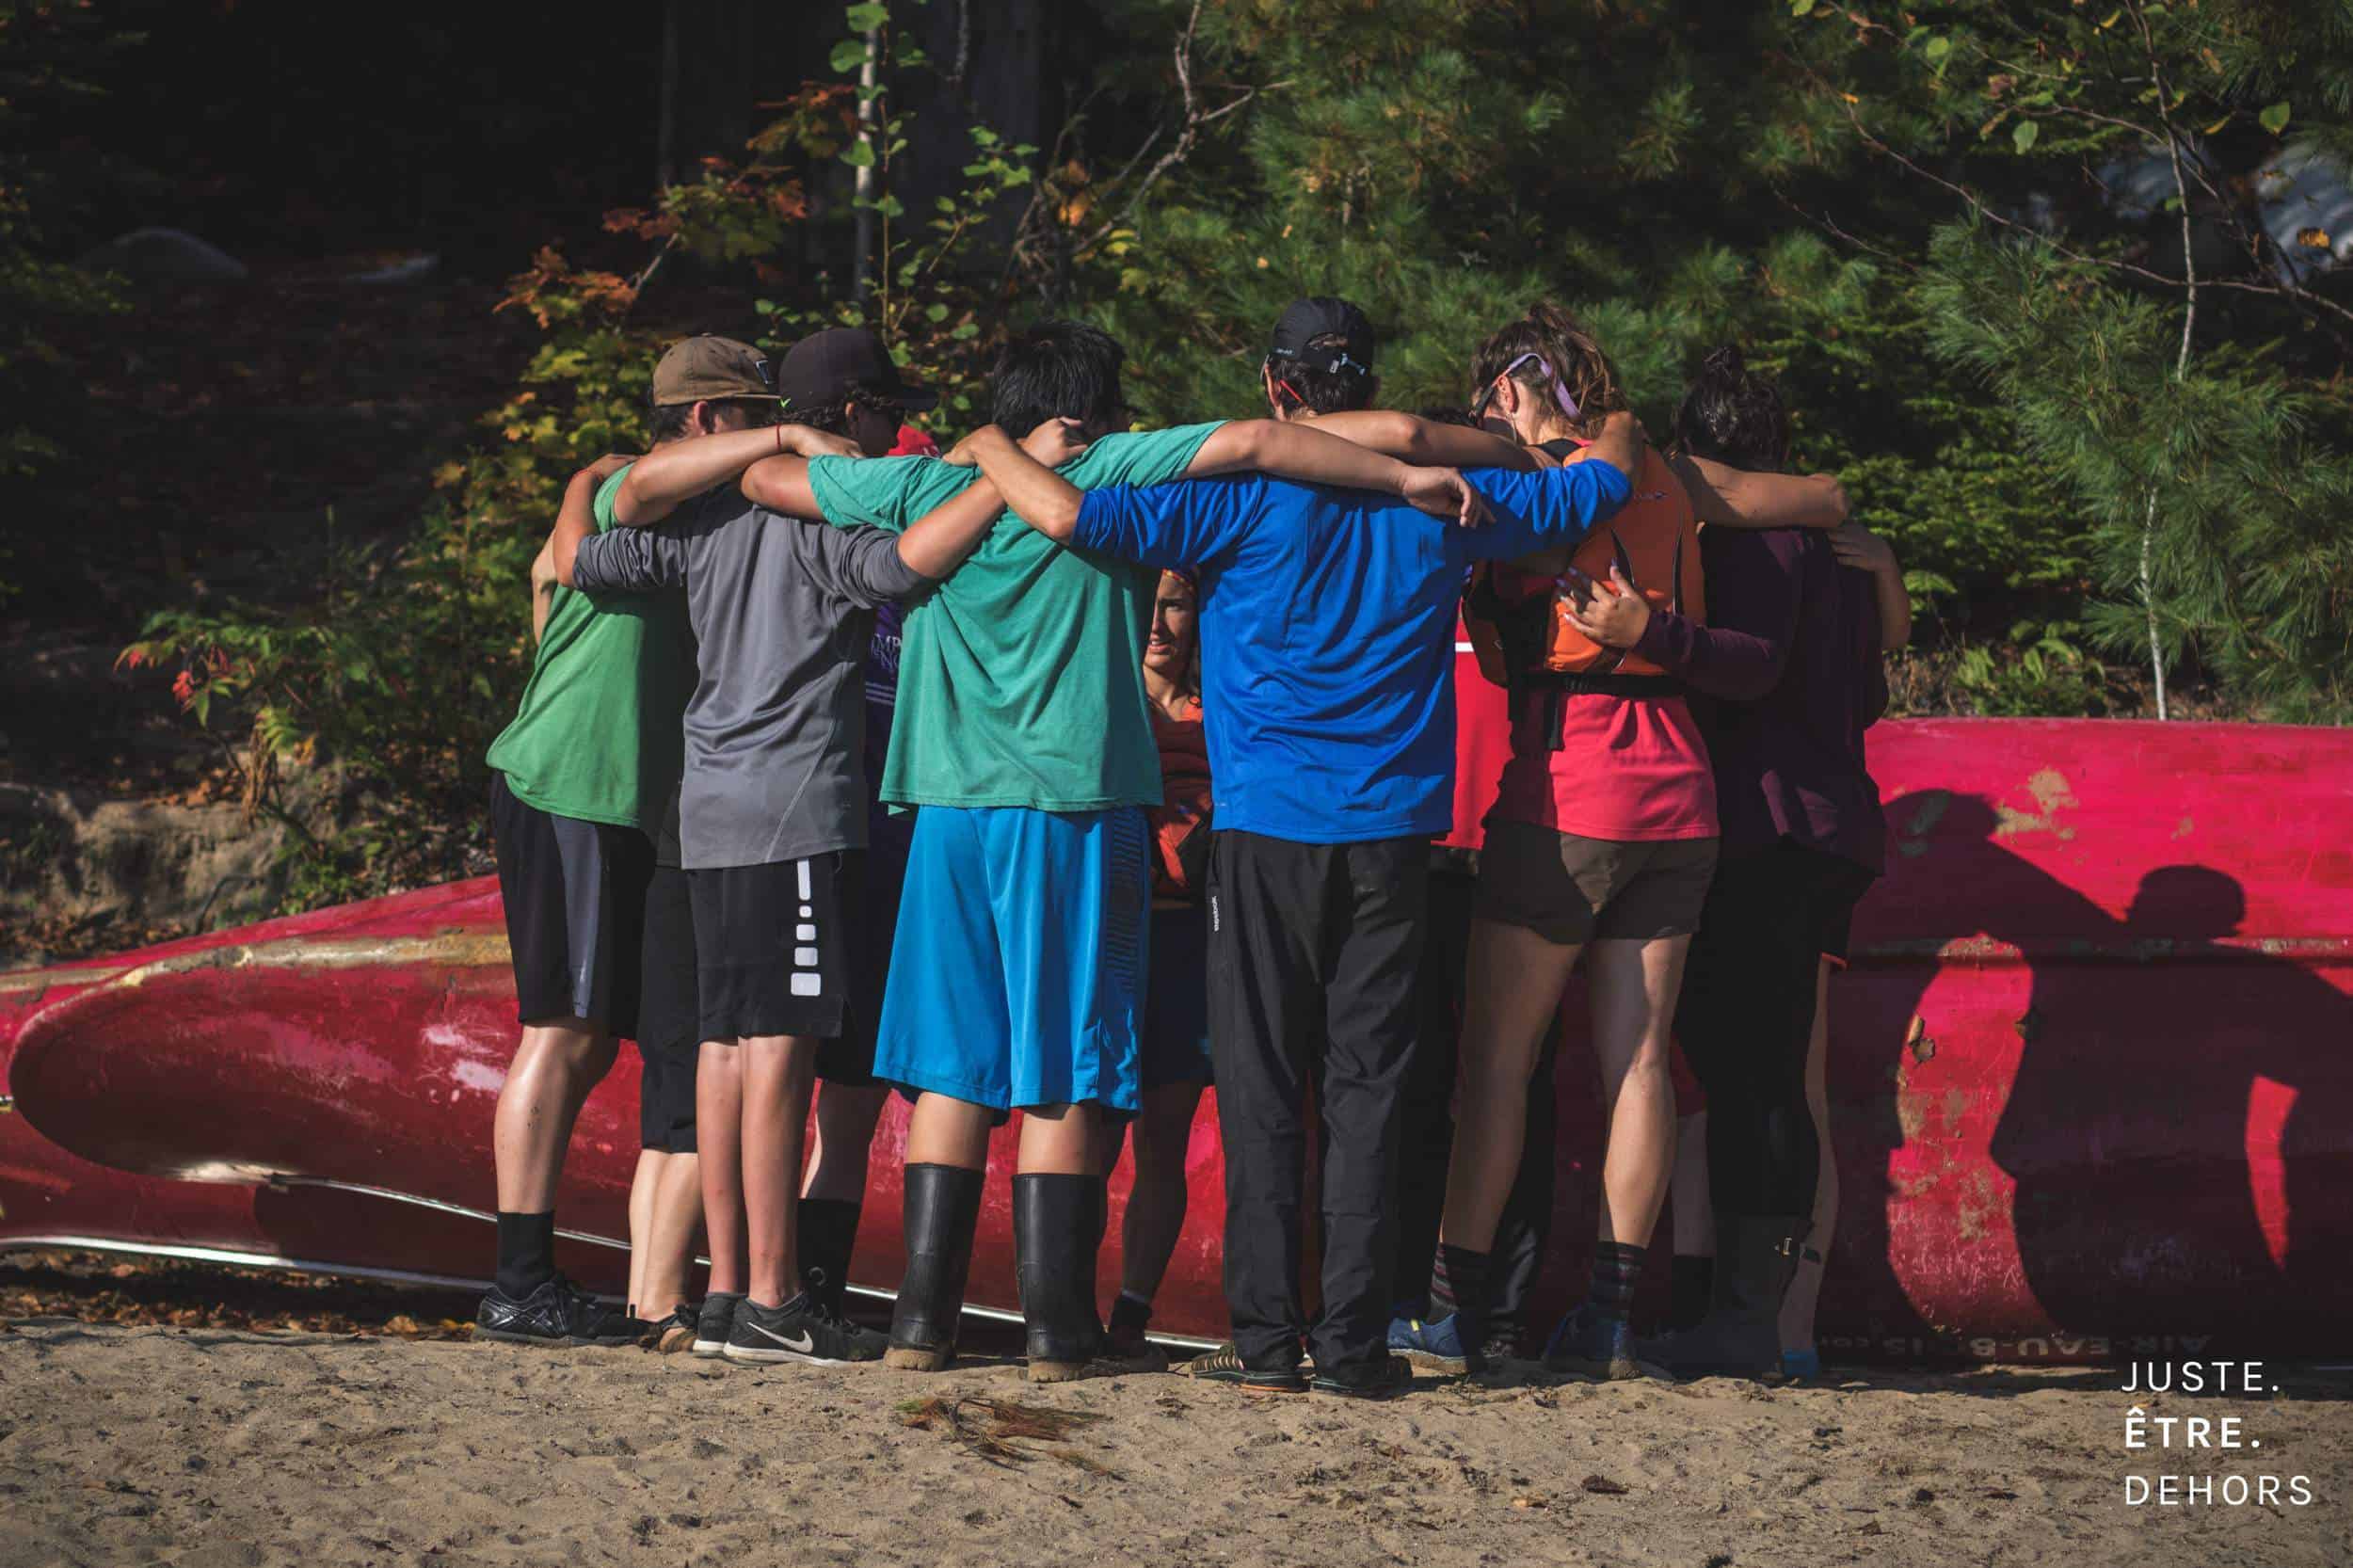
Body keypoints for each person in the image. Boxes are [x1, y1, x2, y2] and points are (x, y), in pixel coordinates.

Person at [755, 321, 1489, 1383]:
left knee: (952, 1068)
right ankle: (1057, 1329)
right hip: (1074, 796)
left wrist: (953, 451)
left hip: (947, 805)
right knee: (1067, 1066)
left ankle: (922, 1322)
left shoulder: (920, 490)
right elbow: (1254, 443)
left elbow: (778, 483)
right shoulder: (1106, 466)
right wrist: (1406, 472)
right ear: (1087, 409)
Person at [963, 405, 1642, 1398]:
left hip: (1265, 827)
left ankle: (1271, 1342)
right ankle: (1358, 1347)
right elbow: (1597, 487)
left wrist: (987, 443)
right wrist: (1616, 426)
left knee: (1263, 1085)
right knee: (1371, 1088)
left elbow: (1066, 516)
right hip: (1391, 835)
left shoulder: (1233, 493)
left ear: (1284, 396)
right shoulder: (1451, 503)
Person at [1399, 305, 1849, 1383]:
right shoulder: (1667, 472)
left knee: (1497, 1064)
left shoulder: (1533, 481)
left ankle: (1450, 1309)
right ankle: (1607, 1320)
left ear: (1513, 387)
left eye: (1487, 393)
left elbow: (1502, 649)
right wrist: (1852, 531)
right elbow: (1809, 498)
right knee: (1640, 1062)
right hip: (1682, 794)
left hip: (1571, 786)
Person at [548, 329, 1011, 1367]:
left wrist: (585, 478)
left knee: (722, 1048)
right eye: (883, 410)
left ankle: (723, 1298)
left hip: (705, 810)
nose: (891, 429)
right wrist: (1000, 478)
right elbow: (904, 565)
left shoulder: (702, 511)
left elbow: (580, 558)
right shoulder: (810, 516)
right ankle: (767, 1294)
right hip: (791, 805)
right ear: (845, 413)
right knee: (778, 1055)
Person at [1554, 345, 1896, 1380]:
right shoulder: (1839, 553)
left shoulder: (1753, 549)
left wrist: (1653, 636)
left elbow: (1748, 669)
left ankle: (1746, 1322)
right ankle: (1754, 1319)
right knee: (1770, 1078)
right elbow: (1867, 696)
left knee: (1749, 1078)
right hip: (1829, 824)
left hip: (1763, 829)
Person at [473, 350, 711, 1343]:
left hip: (593, 792)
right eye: (749, 414)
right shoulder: (631, 489)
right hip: (575, 784)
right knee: (562, 1031)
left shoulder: (619, 495)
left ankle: (532, 1275)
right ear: (707, 417)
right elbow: (561, 562)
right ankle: (518, 1279)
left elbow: (542, 584)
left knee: (584, 1034)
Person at [1096, 568, 1213, 1366]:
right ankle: (1064, 1299)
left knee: (1163, 1141)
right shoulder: (1103, 698)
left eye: (1175, 601)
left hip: (1192, 948)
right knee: (1091, 1132)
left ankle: (1130, 1316)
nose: (1159, 620)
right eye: (1149, 600)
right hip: (1113, 945)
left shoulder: (1224, 707)